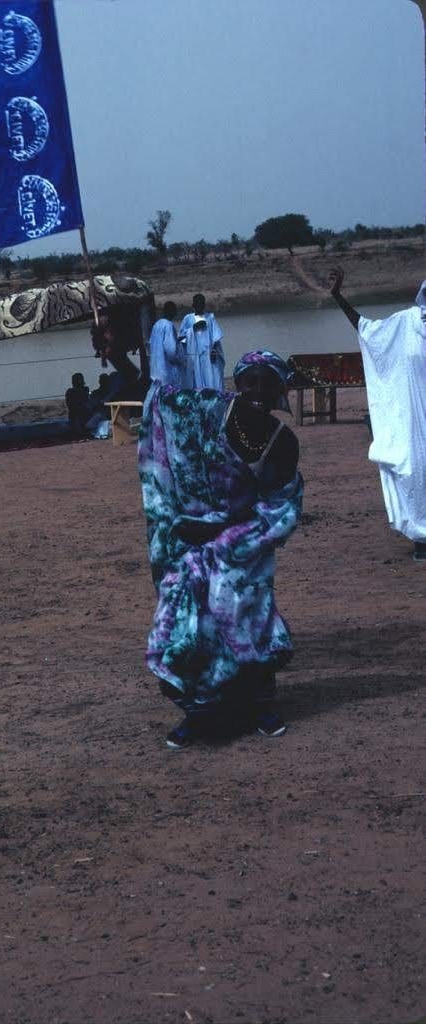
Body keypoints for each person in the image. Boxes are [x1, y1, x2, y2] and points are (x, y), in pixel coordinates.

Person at [138, 349, 303, 749]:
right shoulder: (208, 410)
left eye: (269, 383)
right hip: (192, 537)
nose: (259, 391)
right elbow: (160, 401)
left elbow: (278, 506)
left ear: (281, 389)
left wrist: (223, 533)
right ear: (237, 383)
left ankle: (260, 707)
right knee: (188, 625)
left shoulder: (282, 442)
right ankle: (199, 712)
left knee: (244, 614)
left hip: (245, 542)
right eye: (251, 381)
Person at [329, 268, 426, 562]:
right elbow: (366, 329)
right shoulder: (405, 323)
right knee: (414, 470)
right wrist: (337, 296)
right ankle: (422, 537)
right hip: (413, 419)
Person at [179, 293, 225, 390]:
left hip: (208, 356)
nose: (199, 307)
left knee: (211, 378)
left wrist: (214, 351)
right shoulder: (188, 319)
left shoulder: (210, 318)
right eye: (197, 304)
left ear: (204, 305)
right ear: (193, 306)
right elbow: (181, 337)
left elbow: (215, 337)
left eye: (201, 304)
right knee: (195, 380)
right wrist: (193, 328)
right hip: (194, 356)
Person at [148, 301, 187, 388]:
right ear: (172, 311)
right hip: (166, 371)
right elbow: (171, 351)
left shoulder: (156, 325)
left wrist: (177, 340)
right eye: (174, 311)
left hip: (155, 370)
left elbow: (152, 344)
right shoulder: (169, 325)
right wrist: (181, 360)